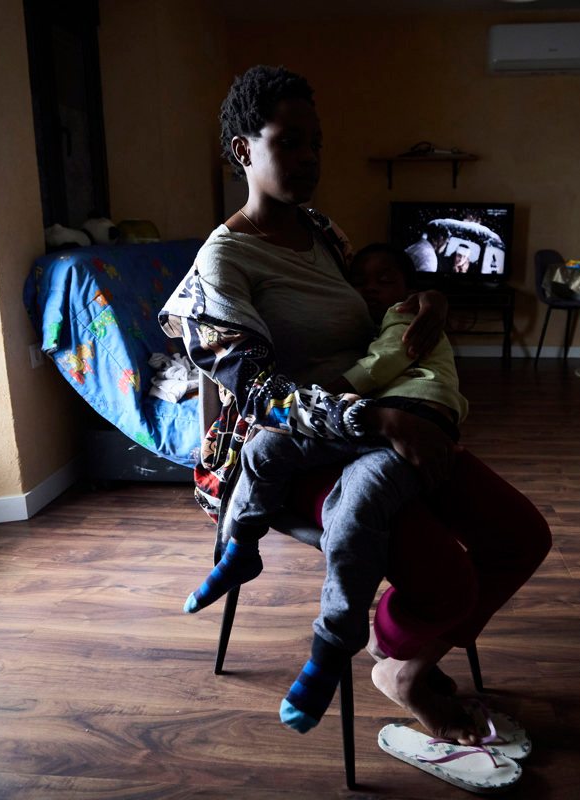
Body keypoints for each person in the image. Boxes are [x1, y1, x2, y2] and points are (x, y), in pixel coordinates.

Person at [159, 65, 551, 745]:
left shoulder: (322, 231)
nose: (310, 158)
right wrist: (371, 418)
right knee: (448, 583)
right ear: (241, 151)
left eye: (317, 143)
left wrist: (424, 301)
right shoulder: (225, 261)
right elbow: (254, 389)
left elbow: (374, 311)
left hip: (381, 417)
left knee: (521, 536)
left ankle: (410, 662)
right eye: (290, 142)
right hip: (297, 451)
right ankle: (395, 665)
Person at [181, 243, 468, 732]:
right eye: (362, 283)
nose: (371, 291)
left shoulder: (399, 312)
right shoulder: (223, 260)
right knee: (264, 449)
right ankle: (241, 547)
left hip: (413, 416)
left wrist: (332, 392)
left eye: (386, 281)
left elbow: (386, 360)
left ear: (406, 287)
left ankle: (331, 647)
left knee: (357, 508)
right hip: (366, 414)